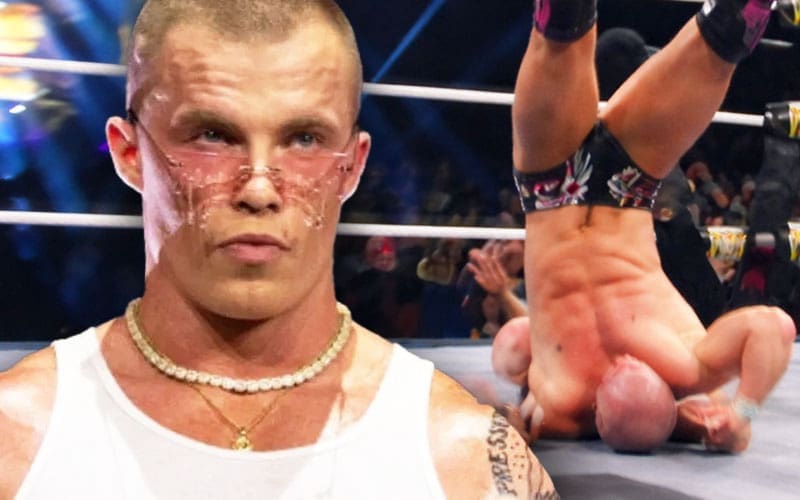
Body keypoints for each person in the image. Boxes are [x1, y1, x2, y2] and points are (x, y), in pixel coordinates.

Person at [0, 1, 557, 498]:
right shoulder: (17, 440)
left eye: (304, 139)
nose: (260, 188)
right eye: (212, 135)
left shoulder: (466, 460)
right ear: (130, 154)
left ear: (353, 166)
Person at [494, 0, 796, 453]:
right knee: (731, 25)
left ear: (596, 416)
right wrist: (742, 415)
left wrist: (514, 410)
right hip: (626, 187)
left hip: (552, 187)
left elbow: (506, 413)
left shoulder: (559, 407)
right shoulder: (686, 370)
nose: (626, 366)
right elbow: (774, 325)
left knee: (563, 21)